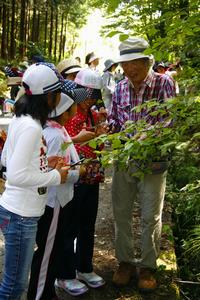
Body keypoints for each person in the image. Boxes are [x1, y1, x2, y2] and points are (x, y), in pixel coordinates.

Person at [108, 37, 176, 292]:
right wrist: (109, 129)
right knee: (121, 213)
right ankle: (125, 262)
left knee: (150, 215)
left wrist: (147, 135)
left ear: (146, 61)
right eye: (124, 63)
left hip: (154, 161)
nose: (129, 69)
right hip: (125, 160)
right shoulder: (120, 88)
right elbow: (115, 119)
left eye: (134, 62)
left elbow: (170, 119)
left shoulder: (163, 83)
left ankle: (147, 265)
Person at [0, 63, 68, 299]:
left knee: (15, 281)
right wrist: (55, 176)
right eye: (58, 92)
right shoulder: (31, 127)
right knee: (14, 285)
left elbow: (7, 160)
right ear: (49, 96)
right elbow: (17, 176)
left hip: (18, 212)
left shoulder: (23, 119)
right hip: (20, 215)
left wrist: (43, 163)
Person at [53, 69, 109, 296]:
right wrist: (79, 139)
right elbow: (58, 150)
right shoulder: (64, 117)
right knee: (68, 228)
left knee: (87, 224)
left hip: (90, 177)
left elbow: (98, 149)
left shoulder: (94, 116)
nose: (89, 101)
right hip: (71, 179)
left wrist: (101, 135)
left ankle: (84, 268)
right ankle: (64, 275)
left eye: (93, 96)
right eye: (85, 96)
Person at [27, 92, 87, 300]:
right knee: (47, 252)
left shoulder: (57, 130)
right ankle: (38, 294)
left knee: (53, 250)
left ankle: (47, 292)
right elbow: (50, 172)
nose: (77, 109)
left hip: (60, 201)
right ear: (65, 112)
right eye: (74, 107)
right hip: (53, 202)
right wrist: (78, 173)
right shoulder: (53, 136)